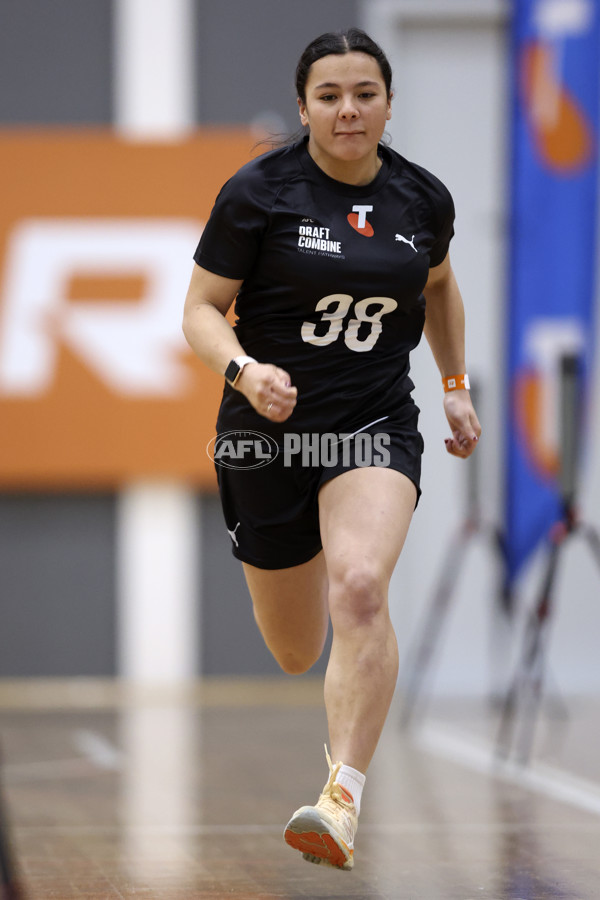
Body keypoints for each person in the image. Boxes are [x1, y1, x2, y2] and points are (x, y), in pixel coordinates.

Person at [183, 27, 481, 872]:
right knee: (294, 648)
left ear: (388, 101)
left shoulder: (423, 199)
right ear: (307, 104)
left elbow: (440, 285)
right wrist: (243, 371)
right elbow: (199, 310)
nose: (349, 111)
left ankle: (340, 795)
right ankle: (306, 599)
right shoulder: (258, 193)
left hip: (372, 424)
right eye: (330, 96)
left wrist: (455, 388)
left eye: (365, 94)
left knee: (359, 586)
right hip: (268, 432)